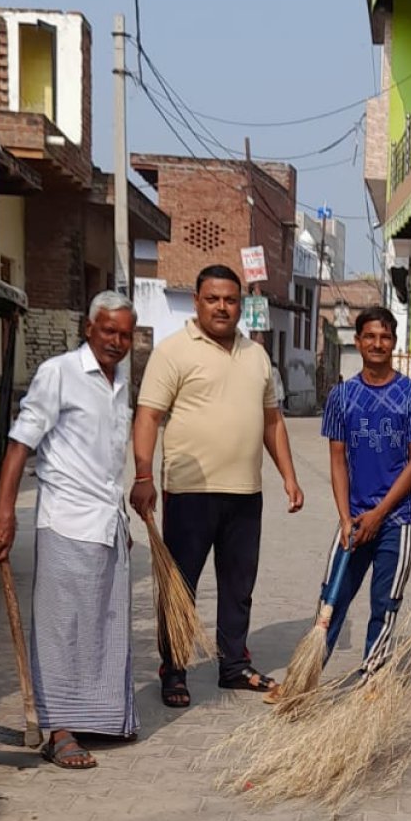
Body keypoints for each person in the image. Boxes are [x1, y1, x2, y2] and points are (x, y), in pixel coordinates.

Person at [130, 264, 304, 707]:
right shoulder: (173, 352)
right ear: (197, 301)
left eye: (231, 300)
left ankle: (233, 665)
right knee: (180, 584)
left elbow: (272, 421)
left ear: (241, 305)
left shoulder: (256, 356)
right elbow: (148, 416)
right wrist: (144, 475)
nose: (222, 307)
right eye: (214, 299)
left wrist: (288, 476)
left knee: (239, 583)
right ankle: (173, 669)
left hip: (246, 493)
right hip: (189, 492)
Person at [0, 294, 139, 768]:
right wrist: (5, 514)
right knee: (61, 629)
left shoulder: (120, 381)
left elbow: (108, 456)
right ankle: (58, 730)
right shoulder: (59, 372)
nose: (117, 341)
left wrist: (122, 514)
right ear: (88, 327)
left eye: (125, 333)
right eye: (108, 330)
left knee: (103, 625)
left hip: (106, 521)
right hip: (65, 520)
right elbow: (19, 446)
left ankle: (97, 718)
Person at [320, 306, 411, 673]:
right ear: (357, 342)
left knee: (384, 602)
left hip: (397, 520)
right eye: (369, 336)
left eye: (385, 337)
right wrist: (344, 517)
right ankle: (307, 675)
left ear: (394, 343)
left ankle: (373, 676)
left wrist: (380, 514)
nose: (377, 343)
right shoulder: (341, 396)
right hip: (354, 519)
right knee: (331, 597)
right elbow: (337, 460)